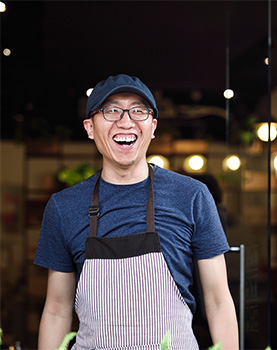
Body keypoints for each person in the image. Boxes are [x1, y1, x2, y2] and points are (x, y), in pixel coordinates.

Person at [34, 74, 238, 349]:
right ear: (89, 127)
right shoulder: (63, 207)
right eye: (111, 110)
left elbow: (218, 299)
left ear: (153, 126)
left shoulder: (191, 196)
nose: (126, 121)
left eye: (138, 111)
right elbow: (57, 309)